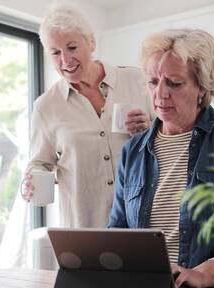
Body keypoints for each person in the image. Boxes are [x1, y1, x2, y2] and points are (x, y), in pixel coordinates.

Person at [107, 28, 214, 288]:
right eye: (153, 82)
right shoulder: (133, 152)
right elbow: (118, 231)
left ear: (202, 87)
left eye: (174, 83)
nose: (160, 94)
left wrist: (202, 274)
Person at [21, 3, 154, 228]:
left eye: (72, 47)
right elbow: (39, 163)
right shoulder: (46, 106)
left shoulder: (138, 80)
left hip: (144, 221)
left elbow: (172, 139)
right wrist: (31, 180)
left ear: (91, 42)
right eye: (55, 53)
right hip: (86, 226)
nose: (65, 60)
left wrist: (149, 129)